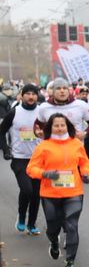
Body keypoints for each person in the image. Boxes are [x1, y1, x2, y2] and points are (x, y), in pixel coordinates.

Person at [26, 113, 89, 267]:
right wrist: (46, 174)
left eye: (63, 125)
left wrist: (85, 173)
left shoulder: (76, 143)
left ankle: (70, 262)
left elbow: (84, 162)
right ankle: (54, 241)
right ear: (50, 127)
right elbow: (31, 169)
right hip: (50, 193)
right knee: (53, 226)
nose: (60, 128)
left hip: (74, 191)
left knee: (72, 225)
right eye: (56, 125)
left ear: (68, 127)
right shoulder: (43, 146)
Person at [0, 84, 42, 235]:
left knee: (37, 194)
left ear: (38, 96)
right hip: (19, 159)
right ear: (22, 96)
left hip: (38, 159)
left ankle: (32, 224)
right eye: (28, 94)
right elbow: (1, 131)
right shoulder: (14, 112)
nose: (31, 97)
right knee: (27, 190)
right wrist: (5, 150)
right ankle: (22, 216)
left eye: (34, 94)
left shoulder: (42, 112)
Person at [35, 78, 89, 143]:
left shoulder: (80, 105)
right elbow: (37, 124)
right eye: (58, 88)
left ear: (68, 90)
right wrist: (38, 132)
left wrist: (85, 133)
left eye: (65, 88)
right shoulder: (44, 107)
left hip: (74, 149)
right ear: (53, 91)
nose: (62, 91)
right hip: (53, 149)